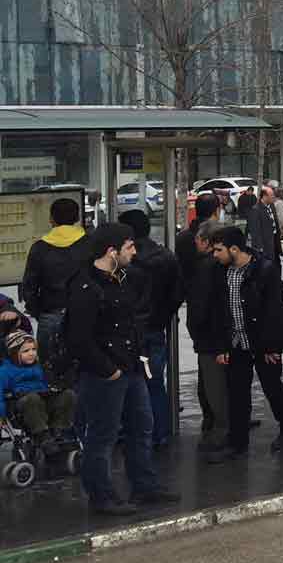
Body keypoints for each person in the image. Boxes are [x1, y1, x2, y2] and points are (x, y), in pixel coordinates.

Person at [65, 224, 177, 515]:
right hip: (105, 373)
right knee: (103, 434)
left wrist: (138, 357)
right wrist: (108, 369)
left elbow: (133, 320)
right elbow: (79, 339)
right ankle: (102, 496)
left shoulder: (123, 279)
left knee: (141, 426)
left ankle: (145, 486)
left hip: (131, 366)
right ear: (111, 251)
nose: (134, 252)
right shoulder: (86, 287)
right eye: (129, 247)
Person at [207, 226, 283, 461]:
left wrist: (273, 346)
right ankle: (237, 443)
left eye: (218, 250)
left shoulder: (264, 269)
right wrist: (221, 346)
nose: (215, 255)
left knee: (272, 387)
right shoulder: (220, 271)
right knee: (237, 393)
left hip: (263, 342)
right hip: (236, 343)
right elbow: (218, 311)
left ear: (234, 249)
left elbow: (277, 311)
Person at [117, 210, 182, 450]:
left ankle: (135, 432)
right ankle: (159, 432)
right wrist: (162, 316)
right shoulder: (165, 256)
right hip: (155, 329)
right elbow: (177, 293)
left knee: (127, 384)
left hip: (129, 332)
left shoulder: (125, 261)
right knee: (154, 382)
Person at [177, 197, 228, 448]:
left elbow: (203, 306)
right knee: (213, 384)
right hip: (212, 336)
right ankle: (219, 426)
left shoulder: (204, 267)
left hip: (209, 337)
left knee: (213, 385)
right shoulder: (217, 266)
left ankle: (220, 428)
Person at [19, 197, 88, 376]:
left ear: (52, 219)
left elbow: (29, 286)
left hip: (50, 314)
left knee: (51, 371)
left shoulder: (40, 248)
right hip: (84, 314)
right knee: (83, 370)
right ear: (77, 218)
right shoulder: (90, 244)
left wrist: (38, 311)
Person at [1, 326, 75, 444]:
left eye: (33, 349)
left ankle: (59, 431)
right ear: (14, 353)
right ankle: (42, 436)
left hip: (43, 401)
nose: (31, 353)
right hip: (21, 406)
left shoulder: (39, 367)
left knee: (68, 395)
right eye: (26, 351)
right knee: (32, 399)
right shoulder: (5, 371)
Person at [246, 185, 283, 293]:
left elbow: (275, 222)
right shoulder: (256, 210)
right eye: (271, 195)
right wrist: (259, 247)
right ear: (264, 196)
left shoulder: (271, 206)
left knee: (277, 264)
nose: (273, 197)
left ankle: (279, 285)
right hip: (265, 245)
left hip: (274, 242)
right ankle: (270, 288)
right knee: (267, 267)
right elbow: (255, 231)